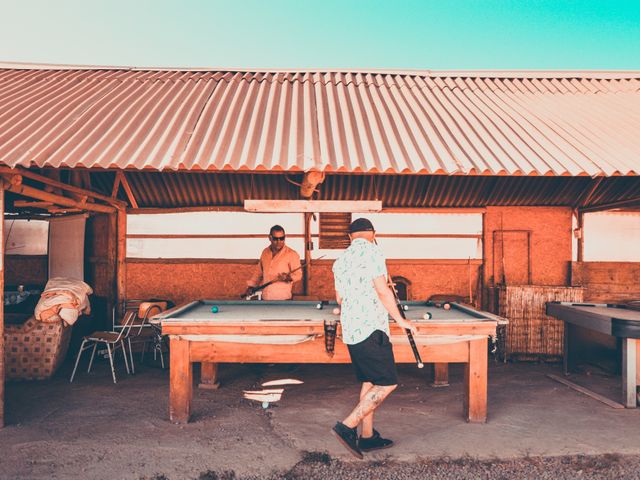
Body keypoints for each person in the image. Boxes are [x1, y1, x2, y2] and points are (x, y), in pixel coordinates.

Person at [331, 217, 418, 459]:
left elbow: (340, 299)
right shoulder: (374, 252)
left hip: (351, 330)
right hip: (371, 329)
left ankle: (367, 437)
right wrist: (401, 321)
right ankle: (347, 426)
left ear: (350, 237)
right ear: (373, 233)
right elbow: (382, 290)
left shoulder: (340, 261)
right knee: (387, 382)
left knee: (369, 381)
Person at [245, 225, 302, 300]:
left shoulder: (292, 254)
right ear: (270, 238)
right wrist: (251, 286)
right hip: (265, 298)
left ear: (285, 237)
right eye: (275, 239)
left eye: (282, 238)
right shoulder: (265, 252)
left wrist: (288, 278)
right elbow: (258, 273)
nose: (279, 241)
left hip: (283, 299)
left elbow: (298, 275)